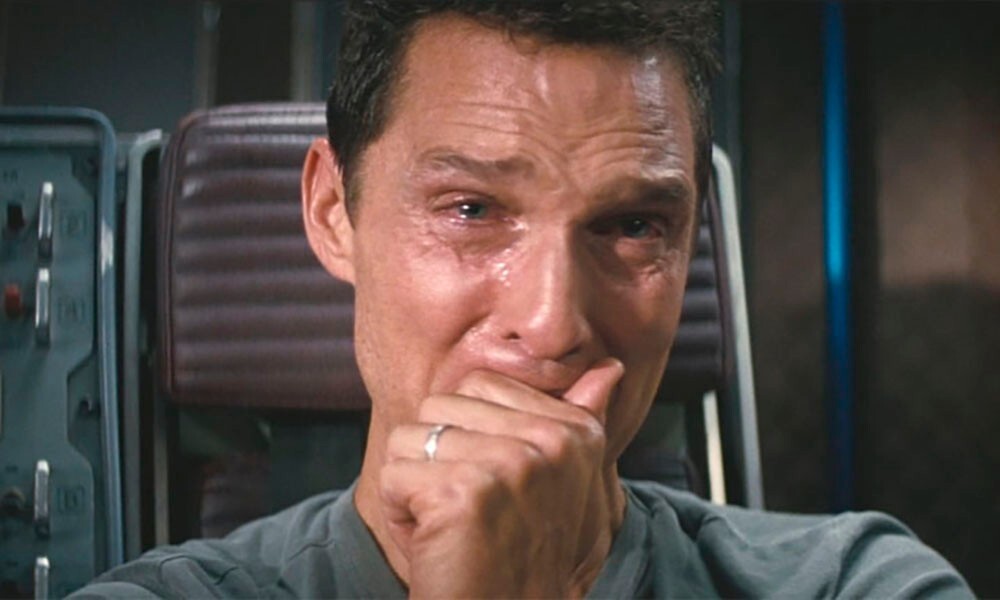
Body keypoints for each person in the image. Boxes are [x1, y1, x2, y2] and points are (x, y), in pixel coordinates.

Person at [73, 1, 971, 597]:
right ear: (333, 212)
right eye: (472, 210)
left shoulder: (859, 584)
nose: (551, 325)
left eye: (632, 226)